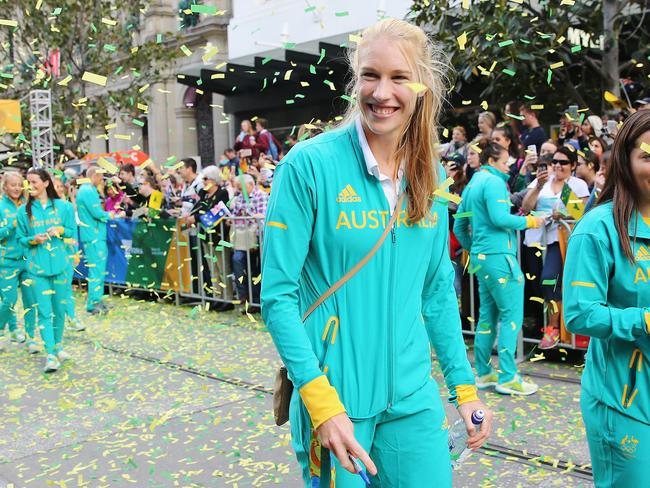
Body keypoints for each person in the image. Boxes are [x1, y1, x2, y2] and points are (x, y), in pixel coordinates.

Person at [261, 18, 492, 487]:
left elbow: (436, 293)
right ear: (355, 81)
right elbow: (277, 297)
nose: (381, 92)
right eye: (370, 75)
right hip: (336, 399)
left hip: (412, 396)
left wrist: (464, 390)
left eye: (398, 77)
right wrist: (320, 402)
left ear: (421, 87)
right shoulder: (308, 166)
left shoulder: (430, 178)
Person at [563, 109, 650, 487]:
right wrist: (643, 320)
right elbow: (580, 314)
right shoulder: (597, 229)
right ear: (625, 162)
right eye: (648, 155)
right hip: (623, 401)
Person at [454, 141, 544, 395]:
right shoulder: (492, 183)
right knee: (510, 318)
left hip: (483, 260)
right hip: (500, 258)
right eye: (505, 162)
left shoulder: (472, 185)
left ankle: (483, 373)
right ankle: (508, 376)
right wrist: (533, 220)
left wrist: (475, 248)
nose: (508, 166)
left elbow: (459, 226)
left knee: (487, 318)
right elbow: (500, 218)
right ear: (492, 161)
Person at [521, 146, 589, 349]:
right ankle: (540, 330)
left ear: (573, 165)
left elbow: (581, 215)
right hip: (533, 240)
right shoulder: (543, 181)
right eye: (555, 162)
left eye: (563, 162)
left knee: (548, 281)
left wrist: (563, 214)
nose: (558, 166)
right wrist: (538, 187)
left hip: (559, 241)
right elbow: (526, 206)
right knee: (536, 288)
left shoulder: (577, 184)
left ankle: (554, 329)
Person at [16, 167, 77, 372]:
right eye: (28, 182)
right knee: (44, 312)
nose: (30, 186)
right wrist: (33, 239)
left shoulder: (64, 208)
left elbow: (71, 233)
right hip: (37, 270)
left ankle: (58, 345)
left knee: (59, 311)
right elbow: (20, 240)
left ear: (46, 183)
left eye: (34, 182)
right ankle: (50, 353)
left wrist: (60, 230)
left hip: (61, 267)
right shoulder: (23, 211)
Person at [186, 165, 233, 311]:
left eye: (206, 179)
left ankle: (228, 298)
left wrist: (197, 217)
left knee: (223, 267)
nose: (204, 182)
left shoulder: (222, 193)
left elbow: (213, 214)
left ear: (214, 180)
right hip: (206, 236)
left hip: (219, 236)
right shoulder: (203, 194)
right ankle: (217, 297)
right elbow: (199, 208)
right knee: (213, 270)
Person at [0, 171, 36, 352]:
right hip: (7, 261)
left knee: (31, 300)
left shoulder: (28, 205)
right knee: (9, 300)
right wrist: (10, 226)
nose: (16, 188)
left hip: (28, 259)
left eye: (19, 184)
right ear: (5, 187)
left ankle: (31, 338)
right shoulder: (0, 207)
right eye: (12, 185)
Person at [76, 167, 111, 315]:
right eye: (101, 177)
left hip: (93, 235)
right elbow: (97, 213)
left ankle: (96, 299)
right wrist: (112, 215)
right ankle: (93, 303)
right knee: (96, 270)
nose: (102, 180)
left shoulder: (85, 190)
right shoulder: (88, 191)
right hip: (94, 235)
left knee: (97, 270)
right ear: (95, 176)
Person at [230, 174, 267, 314]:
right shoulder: (239, 197)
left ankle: (256, 301)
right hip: (241, 238)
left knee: (255, 271)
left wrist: (248, 214)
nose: (239, 191)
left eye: (241, 188)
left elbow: (262, 219)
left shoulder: (261, 196)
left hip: (258, 238)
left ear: (251, 185)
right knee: (238, 261)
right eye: (238, 188)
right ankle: (244, 296)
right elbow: (234, 215)